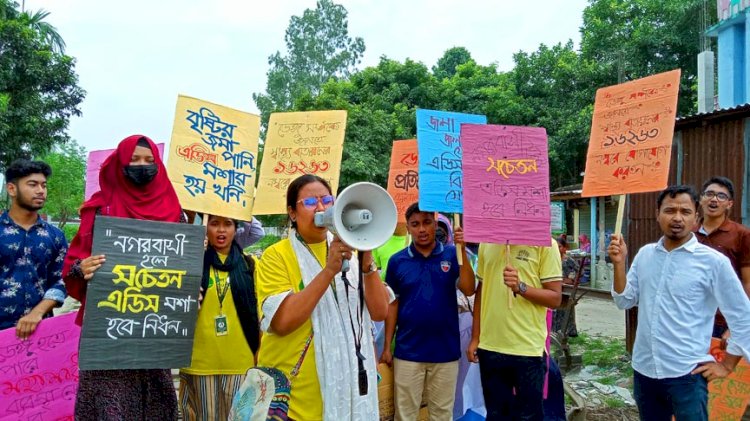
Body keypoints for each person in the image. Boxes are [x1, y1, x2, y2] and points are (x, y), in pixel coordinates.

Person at [63, 135, 182, 420]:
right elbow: (71, 265)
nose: (142, 166)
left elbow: (182, 267)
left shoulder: (174, 211)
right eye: (135, 160)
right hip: (108, 330)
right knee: (110, 405)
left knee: (154, 404)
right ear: (120, 164)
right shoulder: (99, 208)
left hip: (153, 330)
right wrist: (83, 267)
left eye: (149, 161)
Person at [608, 185, 750, 420]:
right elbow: (625, 300)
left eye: (685, 212)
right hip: (645, 371)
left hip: (687, 374)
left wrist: (727, 365)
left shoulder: (713, 262)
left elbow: (742, 316)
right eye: (669, 210)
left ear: (696, 217)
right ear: (657, 214)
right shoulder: (645, 255)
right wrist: (619, 264)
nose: (677, 217)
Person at [254, 174, 389, 420]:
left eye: (327, 200)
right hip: (294, 397)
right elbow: (282, 322)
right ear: (292, 213)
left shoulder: (350, 252)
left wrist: (367, 256)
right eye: (309, 202)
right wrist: (328, 271)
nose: (320, 207)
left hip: (346, 391)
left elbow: (380, 312)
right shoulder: (276, 256)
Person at [379, 203, 475, 421]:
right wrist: (387, 346)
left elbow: (469, 289)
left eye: (426, 223)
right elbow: (392, 304)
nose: (421, 229)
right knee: (405, 415)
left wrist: (462, 251)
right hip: (408, 352)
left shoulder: (452, 255)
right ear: (409, 228)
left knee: (442, 415)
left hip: (446, 352)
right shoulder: (397, 262)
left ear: (435, 224)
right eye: (415, 224)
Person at [467, 236, 562, 420]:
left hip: (528, 349)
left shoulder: (545, 243)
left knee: (529, 416)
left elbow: (555, 297)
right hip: (491, 348)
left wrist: (520, 287)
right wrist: (476, 337)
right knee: (496, 415)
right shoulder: (487, 242)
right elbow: (482, 290)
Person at [179, 214, 260, 421]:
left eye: (228, 224)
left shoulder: (250, 265)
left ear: (236, 229)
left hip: (240, 363)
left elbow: (260, 314)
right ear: (206, 228)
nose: (221, 230)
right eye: (214, 224)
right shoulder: (191, 264)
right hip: (199, 363)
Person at [0, 160, 67, 338]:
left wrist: (37, 313)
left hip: (40, 332)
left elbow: (61, 280)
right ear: (12, 189)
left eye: (44, 185)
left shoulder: (55, 236)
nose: (40, 191)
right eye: (32, 184)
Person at [694, 176, 750, 341]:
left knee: (722, 366)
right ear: (701, 199)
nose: (714, 199)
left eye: (721, 196)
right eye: (709, 194)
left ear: (729, 204)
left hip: (724, 320)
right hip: (691, 317)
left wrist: (740, 324)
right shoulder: (689, 234)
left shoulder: (742, 235)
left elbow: (747, 282)